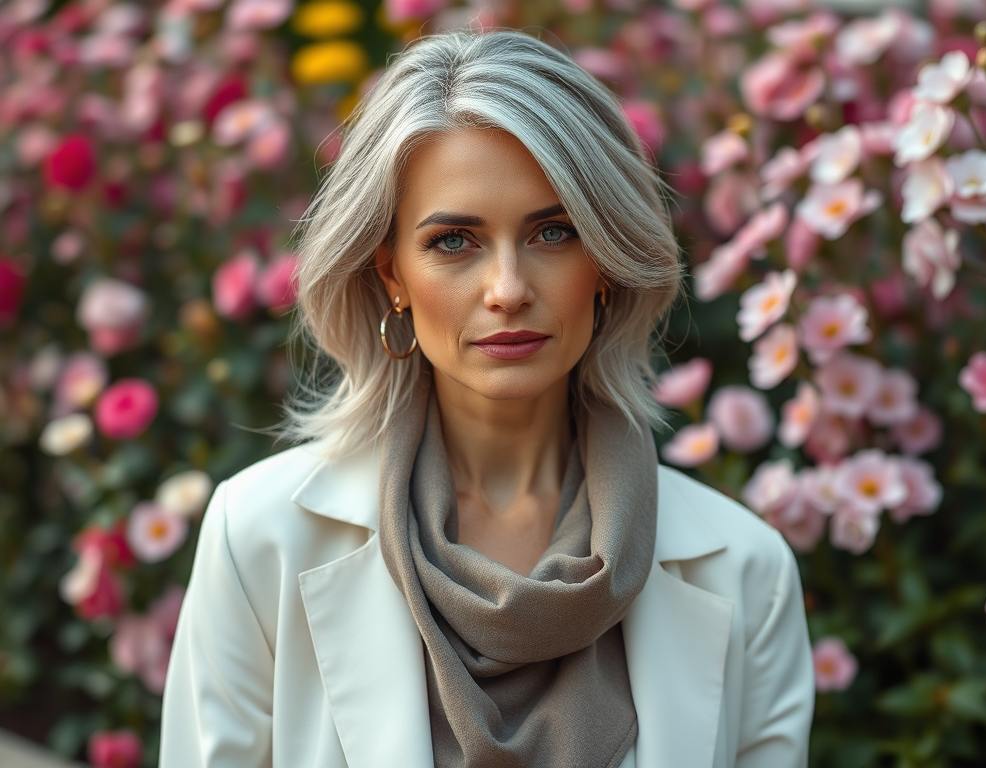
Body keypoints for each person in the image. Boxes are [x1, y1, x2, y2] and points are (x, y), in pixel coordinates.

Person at [159, 28, 814, 768]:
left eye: (553, 232)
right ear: (392, 275)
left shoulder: (747, 572)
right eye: (453, 242)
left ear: (604, 260)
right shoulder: (257, 539)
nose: (508, 289)